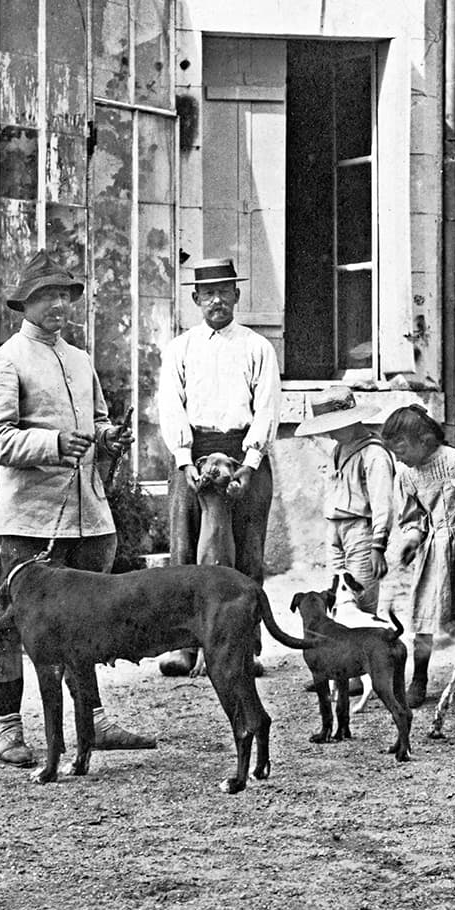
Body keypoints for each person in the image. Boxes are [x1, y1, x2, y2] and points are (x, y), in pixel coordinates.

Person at [0, 252, 154, 767]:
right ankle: (10, 730)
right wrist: (54, 445)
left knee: (88, 620)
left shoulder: (78, 359)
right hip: (28, 521)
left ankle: (92, 722)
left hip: (87, 517)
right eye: (45, 296)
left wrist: (106, 436)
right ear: (23, 303)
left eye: (64, 295)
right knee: (10, 623)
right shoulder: (6, 360)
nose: (57, 304)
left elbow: (96, 421)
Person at [155, 256, 281, 674]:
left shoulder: (257, 347)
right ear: (195, 298)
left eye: (224, 291)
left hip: (245, 452)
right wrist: (184, 459)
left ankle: (243, 649)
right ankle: (183, 645)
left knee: (247, 551)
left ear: (237, 295)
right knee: (185, 549)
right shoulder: (181, 348)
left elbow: (266, 408)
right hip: (193, 452)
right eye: (208, 293)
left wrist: (251, 461)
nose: (217, 300)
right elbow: (171, 406)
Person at [381, 405, 455, 709]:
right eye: (394, 452)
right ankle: (419, 678)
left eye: (402, 448)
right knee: (424, 613)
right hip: (436, 548)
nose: (398, 457)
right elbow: (413, 517)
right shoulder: (406, 475)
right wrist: (411, 538)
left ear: (424, 440)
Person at [294, 387, 395, 627]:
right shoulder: (338, 449)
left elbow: (384, 504)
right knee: (337, 598)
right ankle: (346, 658)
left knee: (361, 596)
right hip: (334, 529)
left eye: (334, 425)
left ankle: (371, 654)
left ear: (351, 421)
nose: (329, 433)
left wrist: (378, 545)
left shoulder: (374, 454)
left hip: (360, 530)